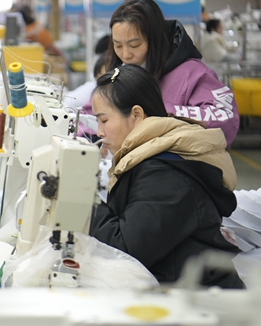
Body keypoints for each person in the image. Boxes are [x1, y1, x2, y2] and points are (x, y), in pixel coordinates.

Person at [89, 64, 243, 287]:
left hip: (202, 299)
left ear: (136, 115)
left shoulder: (165, 174)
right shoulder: (148, 160)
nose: (99, 132)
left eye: (103, 120)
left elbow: (126, 248)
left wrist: (85, 202)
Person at [102, 0, 239, 145]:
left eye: (134, 45)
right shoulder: (120, 72)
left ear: (155, 40)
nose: (125, 54)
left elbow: (225, 118)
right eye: (118, 46)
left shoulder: (193, 73)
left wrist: (156, 113)